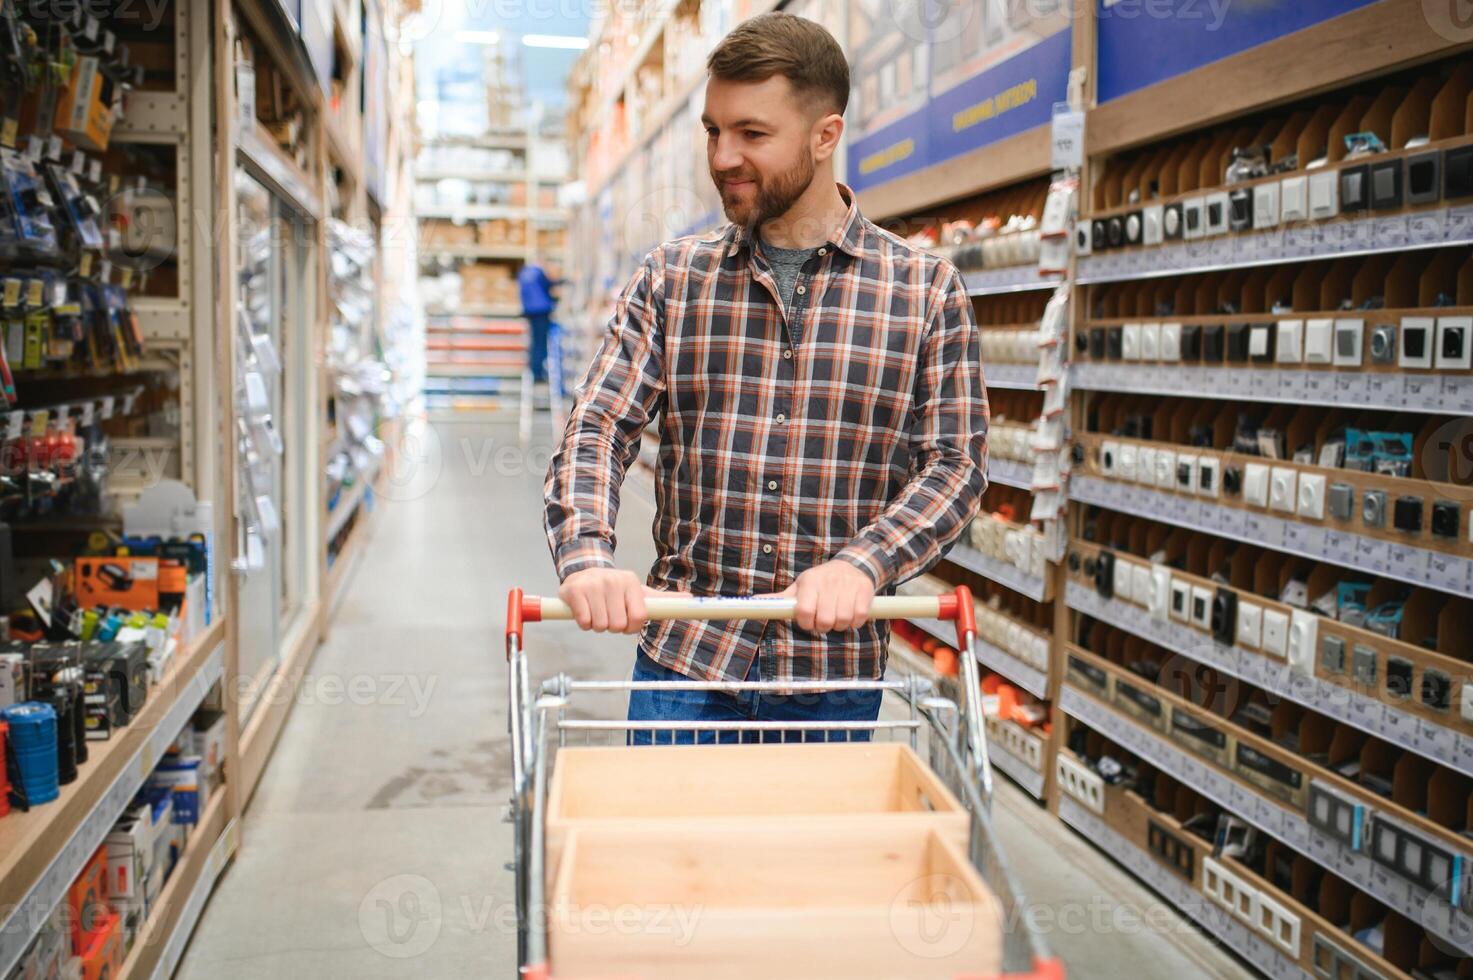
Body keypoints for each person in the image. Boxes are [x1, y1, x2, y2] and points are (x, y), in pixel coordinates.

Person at [542, 12, 989, 743]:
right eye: (712, 131)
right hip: (686, 664)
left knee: (805, 861)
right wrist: (589, 556)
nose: (722, 157)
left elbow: (954, 466)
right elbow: (598, 427)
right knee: (668, 860)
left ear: (824, 135)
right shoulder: (671, 280)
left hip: (831, 673)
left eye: (751, 134)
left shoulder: (925, 291)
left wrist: (863, 565)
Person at [517, 257, 558, 384]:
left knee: (534, 342)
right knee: (541, 343)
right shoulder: (538, 273)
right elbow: (548, 286)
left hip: (531, 312)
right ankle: (538, 374)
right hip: (541, 312)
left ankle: (534, 371)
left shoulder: (523, 273)